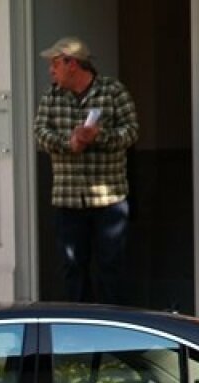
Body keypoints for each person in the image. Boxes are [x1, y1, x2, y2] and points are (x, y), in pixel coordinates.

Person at [33, 36, 139, 305]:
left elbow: (131, 132)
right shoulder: (51, 96)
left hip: (109, 199)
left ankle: (115, 326)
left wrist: (98, 137)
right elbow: (40, 134)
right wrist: (69, 143)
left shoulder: (113, 92)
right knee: (71, 267)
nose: (51, 70)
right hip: (68, 200)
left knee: (110, 267)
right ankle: (78, 327)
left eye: (55, 63)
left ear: (72, 64)